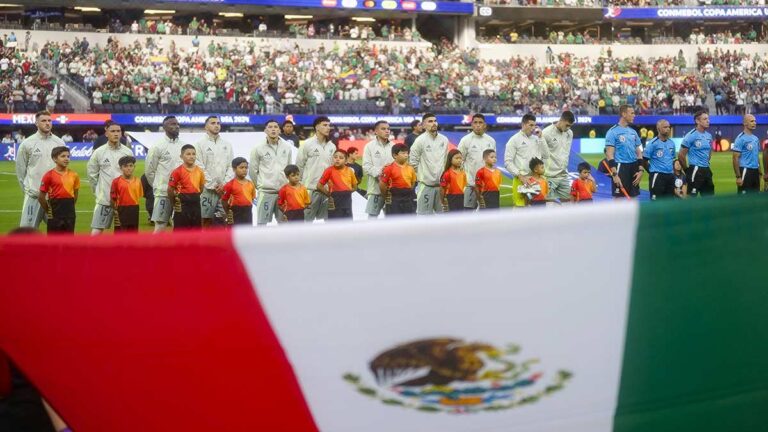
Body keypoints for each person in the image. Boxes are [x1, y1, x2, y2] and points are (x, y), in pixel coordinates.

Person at [15, 111, 66, 229]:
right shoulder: (27, 144)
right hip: (35, 196)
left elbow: (64, 169)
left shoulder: (59, 142)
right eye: (43, 121)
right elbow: (20, 171)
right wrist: (28, 190)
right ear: (36, 123)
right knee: (27, 232)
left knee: (59, 232)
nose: (47, 123)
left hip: (55, 198)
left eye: (49, 120)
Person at [87, 122, 133, 234]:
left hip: (124, 200)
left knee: (123, 233)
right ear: (106, 133)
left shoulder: (127, 152)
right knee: (97, 231)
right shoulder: (99, 152)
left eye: (118, 131)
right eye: (112, 131)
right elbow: (92, 174)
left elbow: (130, 175)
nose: (116, 134)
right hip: (104, 199)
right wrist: (98, 192)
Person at [145, 116, 185, 232]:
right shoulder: (157, 146)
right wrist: (159, 186)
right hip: (163, 193)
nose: (176, 126)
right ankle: (155, 250)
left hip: (181, 193)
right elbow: (149, 171)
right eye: (172, 124)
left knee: (179, 227)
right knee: (160, 226)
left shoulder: (184, 146)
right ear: (164, 127)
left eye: (177, 124)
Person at [250, 119, 293, 226]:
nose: (273, 129)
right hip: (266, 192)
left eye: (275, 127)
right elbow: (253, 171)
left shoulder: (287, 147)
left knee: (284, 224)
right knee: (262, 224)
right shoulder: (257, 148)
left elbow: (289, 169)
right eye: (270, 127)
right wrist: (261, 185)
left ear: (279, 130)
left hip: (283, 192)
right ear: (265, 130)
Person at [195, 115, 234, 228]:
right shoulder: (199, 144)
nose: (216, 125)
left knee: (225, 218)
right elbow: (199, 166)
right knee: (205, 219)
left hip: (224, 190)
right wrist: (212, 184)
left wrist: (224, 185)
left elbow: (231, 166)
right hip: (207, 190)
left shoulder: (227, 145)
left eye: (218, 123)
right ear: (205, 127)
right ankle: (204, 243)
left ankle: (221, 243)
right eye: (213, 123)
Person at [504, 113, 549, 207]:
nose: (533, 128)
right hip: (521, 179)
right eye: (531, 125)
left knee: (538, 208)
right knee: (520, 208)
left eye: (535, 125)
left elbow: (546, 155)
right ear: (523, 125)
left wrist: (541, 137)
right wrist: (520, 176)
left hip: (536, 179)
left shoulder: (537, 139)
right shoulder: (514, 140)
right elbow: (507, 162)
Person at [409, 113, 449, 215]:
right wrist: (423, 176)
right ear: (423, 125)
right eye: (430, 121)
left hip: (441, 186)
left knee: (443, 217)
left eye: (435, 121)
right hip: (426, 186)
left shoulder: (444, 140)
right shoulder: (419, 141)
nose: (434, 123)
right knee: (424, 217)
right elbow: (412, 162)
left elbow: (446, 161)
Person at [297, 116, 336, 222]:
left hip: (326, 190)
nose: (328, 128)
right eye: (325, 125)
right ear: (317, 127)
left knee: (329, 221)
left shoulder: (332, 146)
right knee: (306, 221)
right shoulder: (307, 144)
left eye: (329, 125)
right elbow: (299, 166)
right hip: (310, 189)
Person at [457, 113, 496, 210]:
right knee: (468, 214)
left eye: (480, 122)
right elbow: (459, 161)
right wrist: (466, 179)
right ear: (471, 125)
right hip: (471, 185)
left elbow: (492, 162)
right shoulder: (465, 140)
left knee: (488, 214)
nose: (478, 125)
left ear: (485, 125)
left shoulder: (491, 141)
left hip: (487, 186)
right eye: (475, 122)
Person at [605, 105, 644, 199]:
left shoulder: (633, 132)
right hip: (620, 168)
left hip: (634, 167)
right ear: (624, 114)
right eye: (632, 113)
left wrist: (641, 170)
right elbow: (609, 154)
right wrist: (614, 175)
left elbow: (639, 152)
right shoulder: (612, 132)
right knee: (618, 199)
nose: (634, 115)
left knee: (634, 198)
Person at [38, 146, 79, 234]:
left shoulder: (74, 175)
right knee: (54, 241)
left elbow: (75, 194)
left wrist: (69, 206)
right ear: (54, 159)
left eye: (68, 156)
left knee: (69, 241)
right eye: (63, 156)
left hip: (70, 214)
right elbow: (41, 197)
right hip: (55, 214)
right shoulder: (49, 175)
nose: (66, 159)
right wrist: (48, 210)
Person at [167, 145, 205, 230]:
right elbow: (170, 189)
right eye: (188, 154)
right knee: (181, 232)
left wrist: (194, 196)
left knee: (196, 231)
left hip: (196, 205)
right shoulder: (177, 172)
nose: (191, 156)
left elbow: (201, 187)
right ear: (181, 156)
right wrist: (174, 203)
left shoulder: (200, 171)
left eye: (193, 154)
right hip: (182, 205)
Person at [541, 111, 575, 203]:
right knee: (549, 203)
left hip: (563, 175)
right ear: (561, 120)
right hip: (549, 176)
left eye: (570, 126)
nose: (568, 128)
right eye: (567, 125)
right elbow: (539, 154)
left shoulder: (569, 133)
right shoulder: (546, 133)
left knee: (568, 202)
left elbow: (565, 152)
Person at [678, 110, 714, 197]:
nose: (708, 121)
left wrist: (706, 161)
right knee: (691, 197)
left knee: (709, 198)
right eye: (705, 119)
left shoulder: (709, 136)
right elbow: (681, 155)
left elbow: (709, 151)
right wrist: (687, 170)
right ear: (697, 121)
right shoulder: (691, 135)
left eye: (708, 119)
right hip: (695, 169)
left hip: (706, 169)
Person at [362, 121, 393, 218]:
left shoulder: (394, 146)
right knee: (372, 217)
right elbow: (366, 166)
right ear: (376, 131)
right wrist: (382, 171)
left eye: (388, 129)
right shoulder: (369, 146)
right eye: (383, 129)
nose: (387, 131)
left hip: (391, 190)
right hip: (375, 189)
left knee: (391, 218)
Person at [317, 149, 357, 220]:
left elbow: (355, 186)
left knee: (347, 221)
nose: (337, 159)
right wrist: (329, 194)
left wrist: (347, 192)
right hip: (334, 199)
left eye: (341, 158)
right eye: (335, 157)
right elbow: (319, 186)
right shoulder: (329, 170)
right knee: (334, 221)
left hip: (347, 200)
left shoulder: (349, 171)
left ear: (346, 160)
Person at [642, 119, 676, 200]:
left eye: (669, 127)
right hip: (658, 176)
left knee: (669, 203)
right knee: (656, 203)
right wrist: (652, 172)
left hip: (670, 176)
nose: (668, 129)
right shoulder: (652, 144)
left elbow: (672, 159)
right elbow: (644, 160)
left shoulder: (672, 143)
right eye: (665, 127)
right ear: (658, 129)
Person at [380, 144, 416, 215]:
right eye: (403, 153)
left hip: (408, 199)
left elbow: (413, 183)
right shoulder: (389, 168)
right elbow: (382, 185)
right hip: (394, 199)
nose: (406, 155)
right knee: (394, 221)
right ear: (395, 155)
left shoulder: (411, 168)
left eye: (407, 153)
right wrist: (385, 196)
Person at [110, 156, 143, 232]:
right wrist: (115, 211)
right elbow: (112, 199)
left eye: (131, 166)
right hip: (121, 209)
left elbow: (138, 196)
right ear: (121, 168)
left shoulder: (138, 181)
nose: (128, 168)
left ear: (134, 167)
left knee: (133, 234)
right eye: (125, 166)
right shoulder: (116, 181)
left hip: (134, 209)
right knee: (120, 235)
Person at [221, 157, 256, 226]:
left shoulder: (251, 184)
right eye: (241, 167)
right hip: (235, 212)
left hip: (248, 212)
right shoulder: (229, 185)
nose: (244, 170)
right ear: (234, 169)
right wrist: (228, 212)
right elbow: (224, 200)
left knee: (247, 232)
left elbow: (252, 198)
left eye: (246, 168)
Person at [732, 114, 761, 194]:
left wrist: (760, 171)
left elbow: (756, 156)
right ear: (745, 123)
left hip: (755, 171)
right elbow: (735, 158)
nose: (754, 123)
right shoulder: (740, 138)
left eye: (755, 121)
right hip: (745, 170)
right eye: (752, 121)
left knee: (755, 197)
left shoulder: (755, 139)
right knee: (744, 199)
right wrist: (738, 177)